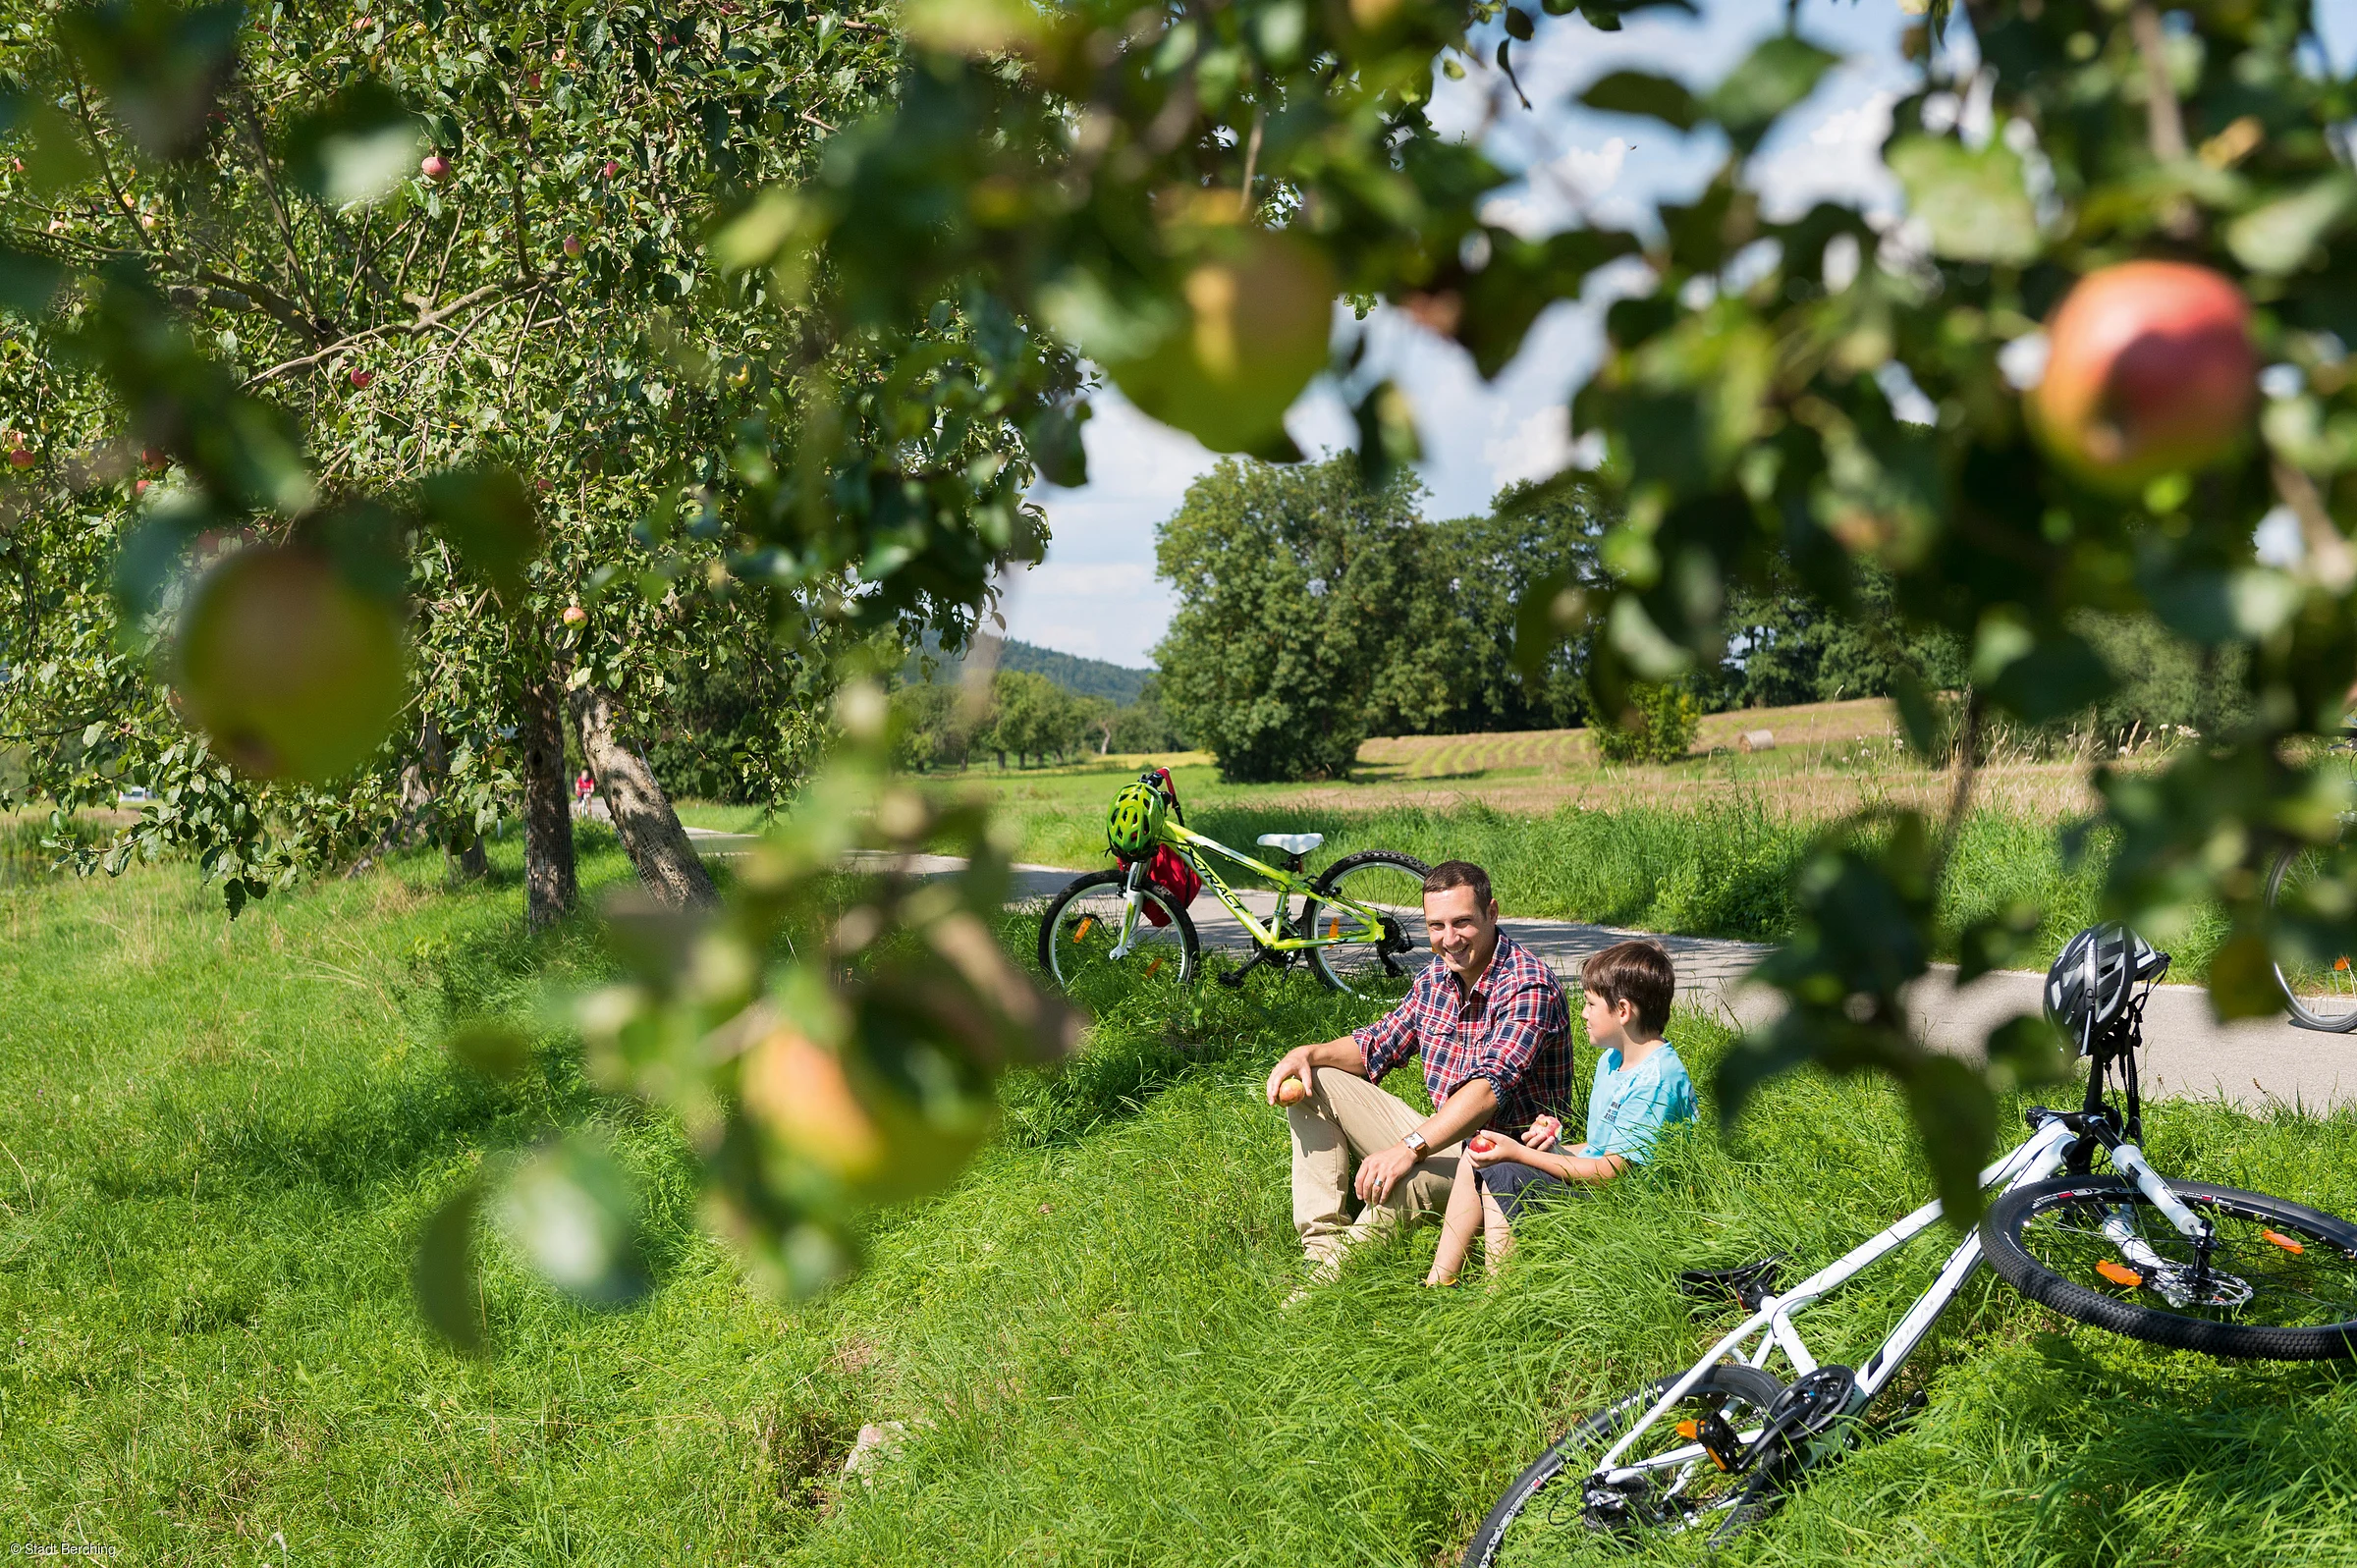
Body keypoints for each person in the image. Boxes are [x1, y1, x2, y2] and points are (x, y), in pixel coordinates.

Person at [1263, 859, 1574, 1287]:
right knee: (1319, 1078)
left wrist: (1409, 1148)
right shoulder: (1436, 979)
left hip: (1506, 1159)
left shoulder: (1527, 985)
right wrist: (1307, 1053)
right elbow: (1376, 1043)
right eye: (1436, 926)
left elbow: (1488, 1090)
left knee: (1409, 1178)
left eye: (1462, 922)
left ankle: (1322, 1288)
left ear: (1493, 913)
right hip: (1451, 1140)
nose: (1449, 940)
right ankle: (1323, 1249)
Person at [1464, 939, 1697, 1260]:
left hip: (1630, 1208)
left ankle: (1498, 1291)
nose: (1583, 1013)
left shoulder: (1656, 1079)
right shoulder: (1613, 1060)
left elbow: (1610, 1172)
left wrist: (1521, 1154)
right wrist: (1552, 1144)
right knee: (1486, 1154)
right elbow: (1599, 1148)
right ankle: (1442, 1279)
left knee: (1504, 1172)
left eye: (1590, 1003)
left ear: (1623, 1011)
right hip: (1606, 1189)